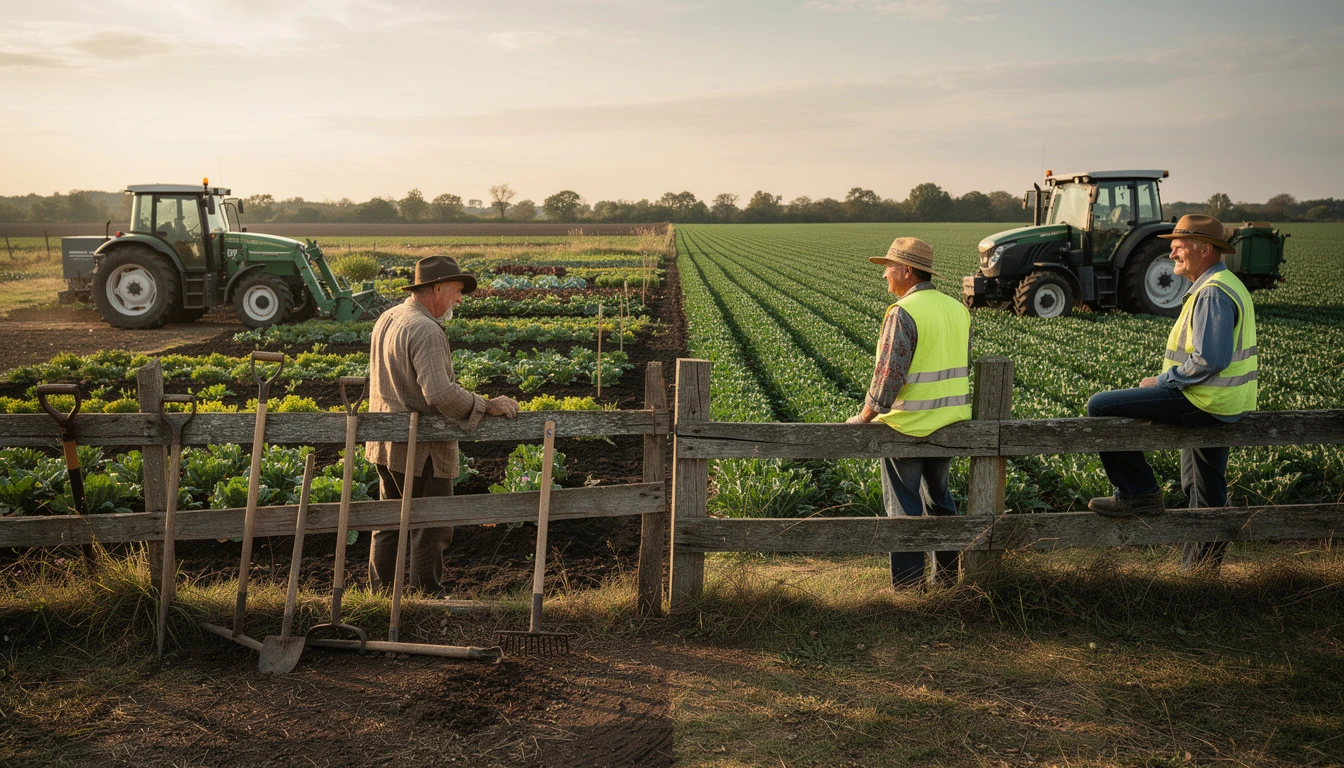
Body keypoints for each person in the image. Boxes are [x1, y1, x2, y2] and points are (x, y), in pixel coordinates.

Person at [1087, 214, 1257, 570]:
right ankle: (1198, 573)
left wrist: (1162, 381)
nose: (1172, 250)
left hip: (1202, 399)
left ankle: (1139, 494)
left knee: (1101, 406)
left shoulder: (1212, 293)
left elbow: (1210, 358)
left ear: (1205, 249)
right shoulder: (1226, 284)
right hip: (1223, 402)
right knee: (1205, 488)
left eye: (1180, 244)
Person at [366, 255, 520, 595]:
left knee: (388, 523)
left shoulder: (389, 318)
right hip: (423, 448)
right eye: (456, 290)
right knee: (431, 525)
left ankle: (379, 596)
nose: (460, 299)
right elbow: (438, 394)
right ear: (436, 288)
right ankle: (426, 595)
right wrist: (486, 405)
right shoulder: (425, 329)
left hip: (384, 443)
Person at [848, 237, 972, 587]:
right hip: (949, 425)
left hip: (907, 426)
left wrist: (863, 417)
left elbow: (889, 374)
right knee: (941, 503)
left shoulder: (903, 312)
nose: (884, 274)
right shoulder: (956, 309)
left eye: (888, 267)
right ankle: (948, 581)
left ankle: (908, 588)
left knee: (904, 509)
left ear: (906, 270)